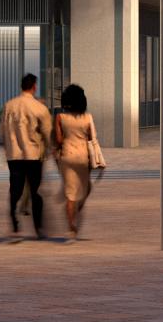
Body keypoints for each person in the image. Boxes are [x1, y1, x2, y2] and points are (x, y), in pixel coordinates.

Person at [0, 72, 52, 242]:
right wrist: (50, 150)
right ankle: (38, 228)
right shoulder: (39, 108)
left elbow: (1, 132)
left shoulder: (9, 106)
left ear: (21, 86)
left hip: (14, 156)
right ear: (34, 87)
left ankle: (15, 226)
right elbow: (47, 133)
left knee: (15, 190)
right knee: (35, 192)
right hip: (34, 156)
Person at [52, 83, 104, 242]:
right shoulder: (88, 117)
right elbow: (92, 138)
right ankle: (78, 207)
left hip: (67, 157)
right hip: (83, 158)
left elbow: (59, 140)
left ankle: (71, 230)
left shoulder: (60, 117)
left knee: (70, 194)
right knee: (85, 188)